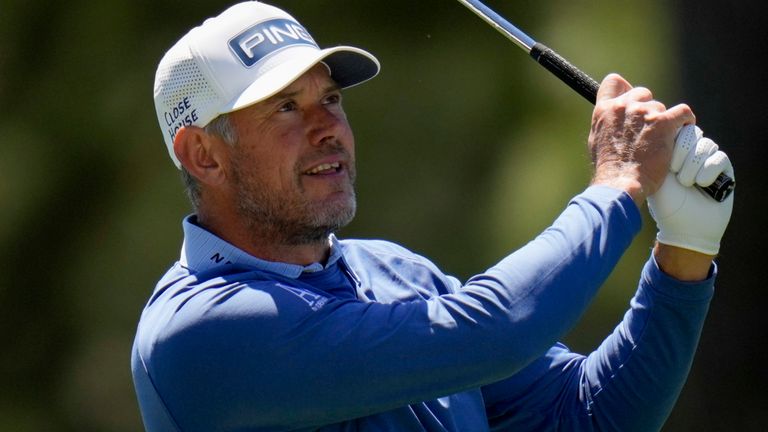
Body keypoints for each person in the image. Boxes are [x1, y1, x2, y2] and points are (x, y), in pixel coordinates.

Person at [132, 2, 734, 431]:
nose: (328, 130)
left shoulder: (395, 273)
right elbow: (495, 332)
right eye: (286, 108)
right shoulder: (198, 332)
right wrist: (618, 184)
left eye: (331, 99)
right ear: (202, 155)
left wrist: (684, 255)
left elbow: (586, 413)